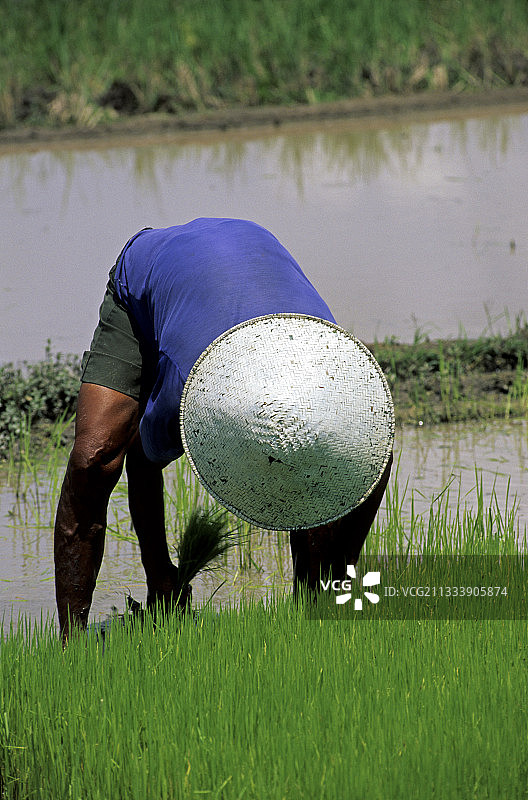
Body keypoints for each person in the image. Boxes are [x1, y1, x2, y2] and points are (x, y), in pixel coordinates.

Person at [54, 218, 393, 638]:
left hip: (256, 247)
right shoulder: (192, 381)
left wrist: (331, 582)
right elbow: (142, 457)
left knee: (321, 548)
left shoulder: (343, 395)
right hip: (146, 271)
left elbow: (369, 465)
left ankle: (314, 612)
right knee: (94, 459)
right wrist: (161, 575)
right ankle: (73, 644)